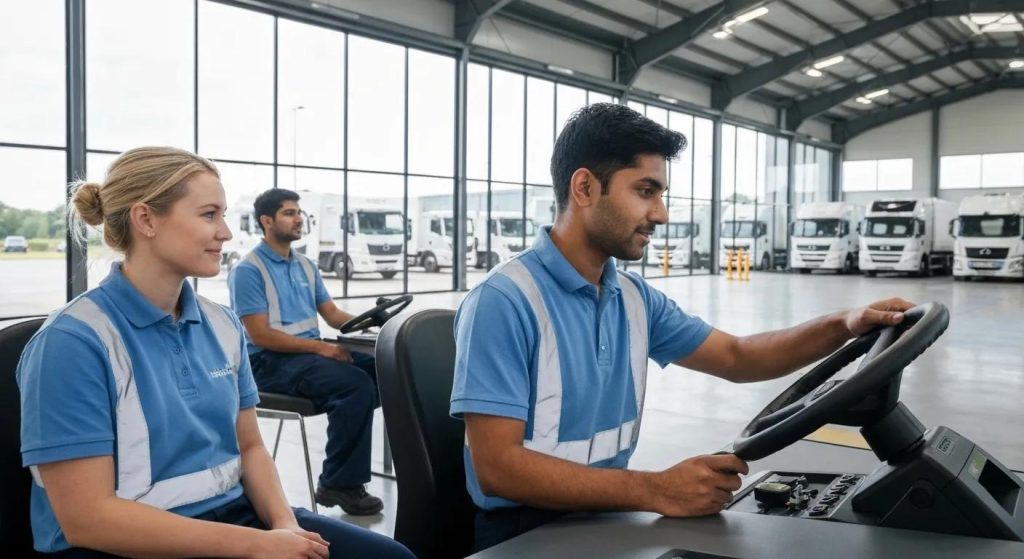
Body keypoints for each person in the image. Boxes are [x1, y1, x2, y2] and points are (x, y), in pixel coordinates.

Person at [449, 103, 914, 551]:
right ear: (585, 188)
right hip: (522, 536)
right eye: (645, 191)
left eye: (660, 194)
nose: (661, 214)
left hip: (606, 519)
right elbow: (499, 469)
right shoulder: (504, 302)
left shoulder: (633, 298)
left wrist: (844, 324)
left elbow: (739, 356)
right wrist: (655, 489)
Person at [17, 147, 413, 558]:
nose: (225, 232)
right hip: (126, 542)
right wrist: (255, 545)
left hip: (231, 516)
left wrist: (285, 527)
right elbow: (87, 518)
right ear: (146, 219)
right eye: (209, 215)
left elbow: (251, 448)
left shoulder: (222, 324)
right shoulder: (72, 344)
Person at [228, 189, 383, 516]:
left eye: (299, 212)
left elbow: (332, 314)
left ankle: (345, 452)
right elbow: (260, 334)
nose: (298, 218)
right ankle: (339, 483)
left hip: (306, 358)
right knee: (354, 385)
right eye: (289, 213)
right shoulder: (249, 270)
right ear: (266, 221)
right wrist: (321, 348)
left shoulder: (306, 266)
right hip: (267, 362)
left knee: (386, 372)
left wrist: (375, 322)